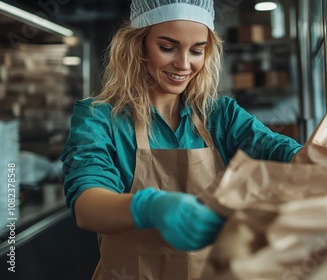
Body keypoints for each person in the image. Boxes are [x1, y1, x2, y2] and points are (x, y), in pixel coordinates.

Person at [60, 0, 303, 279]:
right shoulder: (99, 118)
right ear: (138, 46)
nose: (184, 64)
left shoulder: (219, 115)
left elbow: (279, 149)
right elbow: (87, 205)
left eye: (197, 50)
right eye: (167, 47)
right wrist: (149, 207)